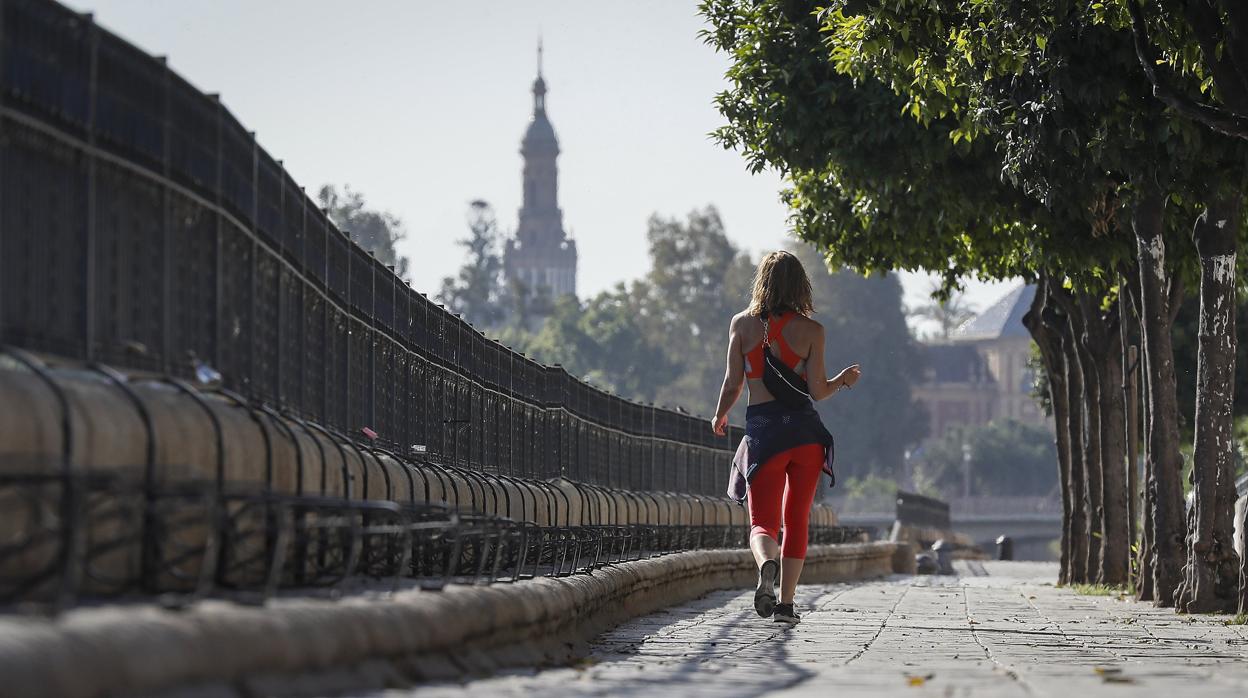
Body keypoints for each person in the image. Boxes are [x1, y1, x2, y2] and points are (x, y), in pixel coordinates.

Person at [711, 250, 861, 625]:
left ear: (761, 281)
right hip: (806, 436)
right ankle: (786, 606)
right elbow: (818, 392)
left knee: (763, 523)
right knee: (797, 521)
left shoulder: (742, 326)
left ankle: (767, 564)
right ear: (800, 286)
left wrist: (720, 414)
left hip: (765, 433)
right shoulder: (813, 331)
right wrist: (842, 380)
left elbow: (733, 382)